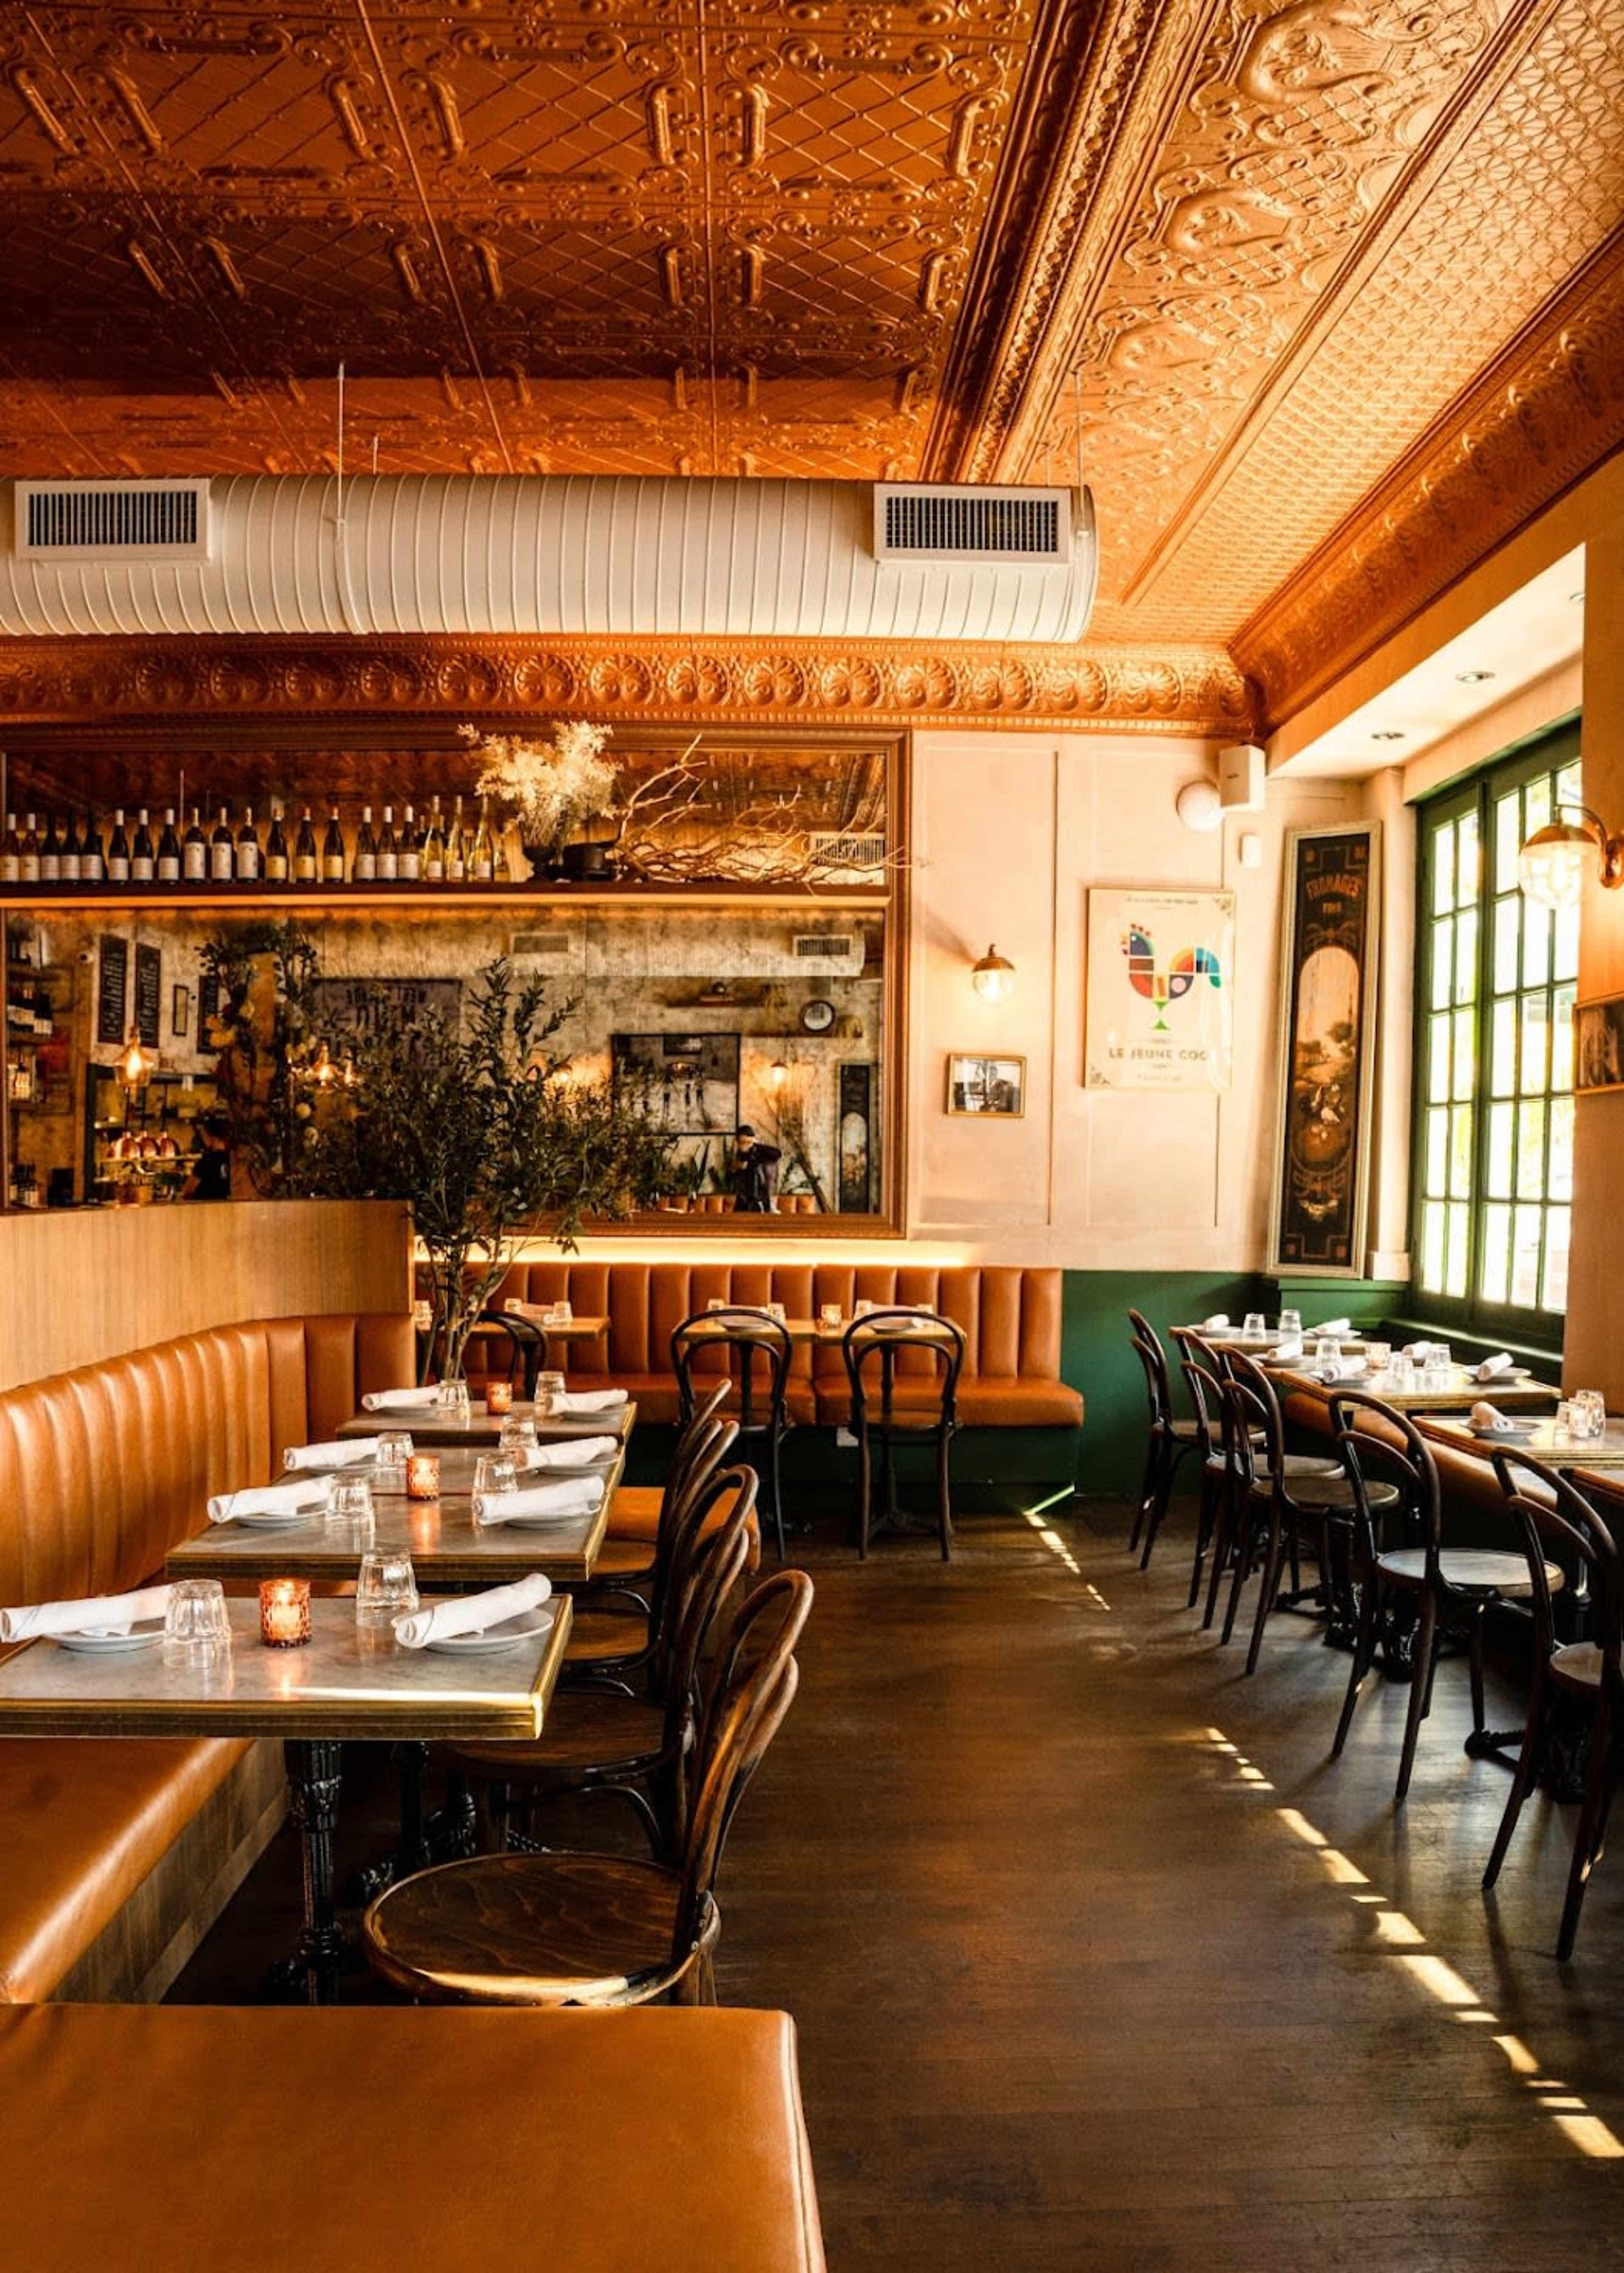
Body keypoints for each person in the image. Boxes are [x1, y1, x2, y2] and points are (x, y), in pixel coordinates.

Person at [731, 1122, 782, 1214]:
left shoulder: (758, 1152)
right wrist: (745, 1152)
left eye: (748, 1142)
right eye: (743, 1142)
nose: (746, 1145)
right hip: (744, 1198)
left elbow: (777, 1154)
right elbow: (741, 1167)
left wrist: (755, 1144)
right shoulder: (738, 1157)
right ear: (738, 1143)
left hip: (761, 1196)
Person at [183, 1113, 233, 1202]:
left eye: (205, 1135)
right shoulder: (232, 1159)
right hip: (226, 1208)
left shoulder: (207, 1161)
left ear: (211, 1136)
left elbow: (189, 1189)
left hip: (204, 1208)